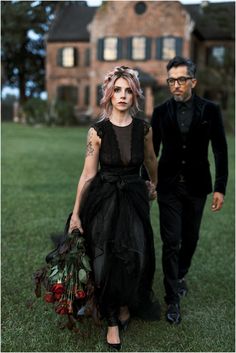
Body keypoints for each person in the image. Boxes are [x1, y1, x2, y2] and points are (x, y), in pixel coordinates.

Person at [68, 66, 160, 350]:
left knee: (134, 256)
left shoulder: (144, 129)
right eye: (117, 90)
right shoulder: (97, 131)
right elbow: (87, 174)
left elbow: (150, 161)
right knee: (104, 258)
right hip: (104, 197)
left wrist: (153, 184)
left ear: (135, 95)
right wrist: (75, 213)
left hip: (133, 197)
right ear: (109, 94)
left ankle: (124, 305)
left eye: (128, 90)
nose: (122, 95)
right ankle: (110, 320)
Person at [151, 56, 228, 324]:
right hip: (168, 186)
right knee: (171, 241)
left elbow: (220, 149)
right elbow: (153, 152)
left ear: (192, 81)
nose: (176, 85)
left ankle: (181, 272)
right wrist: (150, 181)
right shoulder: (160, 112)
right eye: (171, 80)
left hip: (198, 186)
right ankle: (172, 299)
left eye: (181, 80)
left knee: (190, 237)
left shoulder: (210, 110)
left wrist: (220, 187)